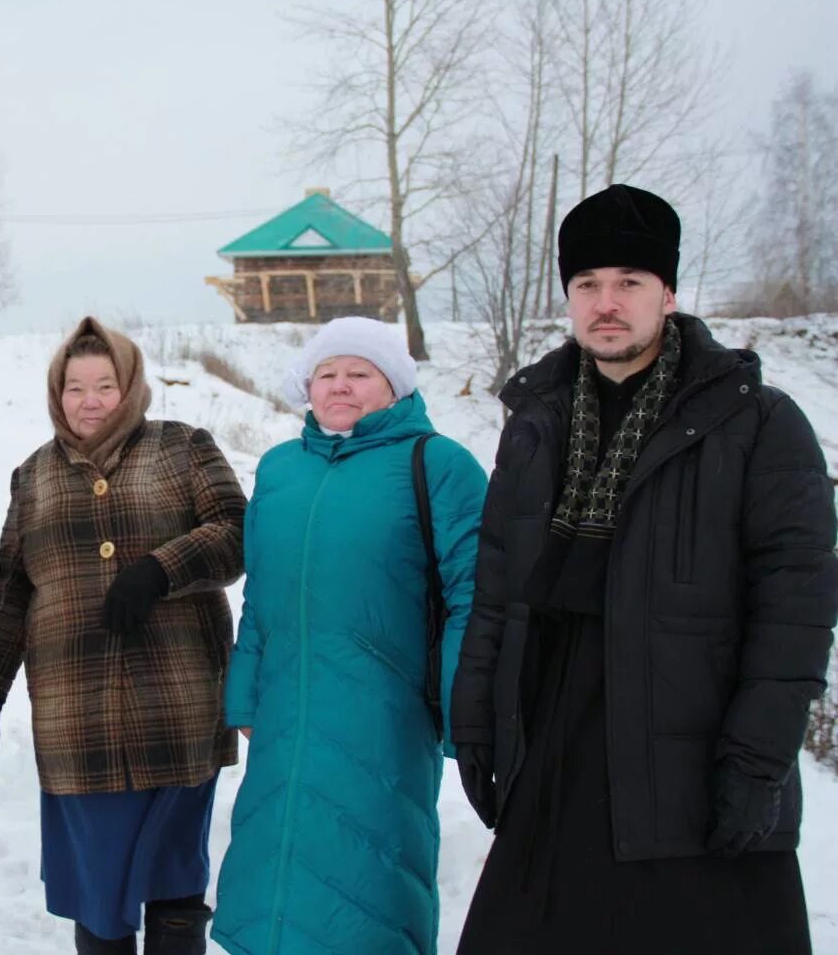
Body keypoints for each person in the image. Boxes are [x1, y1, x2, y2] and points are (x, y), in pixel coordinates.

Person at [451, 184, 838, 954]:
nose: (607, 302)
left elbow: (794, 615)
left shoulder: (757, 424)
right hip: (557, 747)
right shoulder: (535, 426)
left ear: (668, 291)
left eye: (629, 281)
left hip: (693, 755)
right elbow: (497, 592)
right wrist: (478, 724)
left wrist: (754, 765)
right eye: (587, 284)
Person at [0, 318, 246, 955]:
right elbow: (11, 588)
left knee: (175, 877)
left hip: (177, 703)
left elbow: (236, 531)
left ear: (132, 388)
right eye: (74, 388)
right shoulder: (32, 477)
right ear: (55, 393)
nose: (89, 401)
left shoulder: (184, 448)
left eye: (105, 386)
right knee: (98, 887)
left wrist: (159, 570)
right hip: (77, 716)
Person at [211, 317, 487, 955]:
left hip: (385, 715)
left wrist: (459, 704)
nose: (340, 386)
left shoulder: (439, 464)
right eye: (327, 374)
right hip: (285, 708)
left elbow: (475, 594)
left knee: (369, 875)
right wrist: (246, 694)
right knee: (275, 865)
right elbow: (261, 595)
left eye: (360, 373)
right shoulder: (281, 469)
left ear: (394, 386)